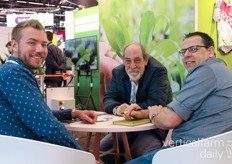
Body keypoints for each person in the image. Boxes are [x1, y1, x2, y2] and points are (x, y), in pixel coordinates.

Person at [0, 19, 99, 163]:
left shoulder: (13, 71)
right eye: (32, 43)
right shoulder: (14, 73)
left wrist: (73, 113)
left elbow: (34, 114)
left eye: (44, 44)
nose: (40, 50)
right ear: (14, 45)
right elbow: (47, 126)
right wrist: (83, 157)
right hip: (25, 156)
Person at [124, 31, 232, 164]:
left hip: (190, 153)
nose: (187, 55)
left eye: (193, 49)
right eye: (183, 51)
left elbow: (168, 120)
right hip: (215, 152)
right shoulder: (220, 70)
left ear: (210, 51)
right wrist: (147, 112)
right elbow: (177, 110)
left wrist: (153, 115)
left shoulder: (204, 71)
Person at [100, 43, 172, 163]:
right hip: (127, 128)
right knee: (102, 149)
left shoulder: (157, 71)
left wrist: (132, 109)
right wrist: (117, 108)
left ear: (145, 60)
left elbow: (157, 103)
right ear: (123, 61)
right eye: (128, 61)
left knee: (138, 152)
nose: (132, 66)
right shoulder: (118, 72)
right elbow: (108, 99)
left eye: (137, 60)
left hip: (153, 127)